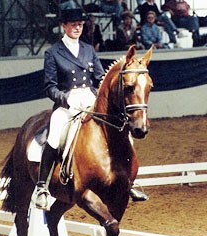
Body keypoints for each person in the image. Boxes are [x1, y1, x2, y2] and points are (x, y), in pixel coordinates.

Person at [36, 8, 148, 209]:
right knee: (55, 133)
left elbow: (99, 78)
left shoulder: (88, 50)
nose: (77, 28)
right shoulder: (53, 52)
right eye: (73, 25)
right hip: (67, 103)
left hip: (90, 99)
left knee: (122, 129)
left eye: (80, 24)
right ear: (64, 26)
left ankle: (128, 180)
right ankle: (42, 187)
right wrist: (65, 99)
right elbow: (49, 86)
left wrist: (98, 96)